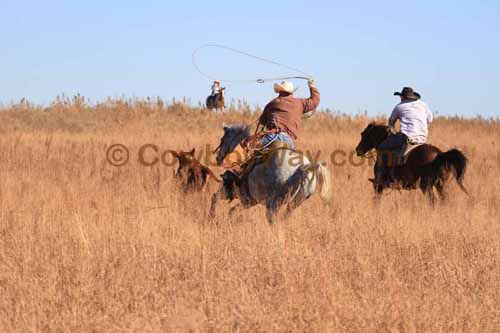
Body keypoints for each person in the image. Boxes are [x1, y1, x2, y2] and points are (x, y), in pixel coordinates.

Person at [376, 86, 433, 185]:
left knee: (382, 148)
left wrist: (393, 131)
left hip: (407, 137)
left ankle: (381, 177)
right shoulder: (423, 105)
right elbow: (430, 120)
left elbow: (391, 123)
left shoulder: (399, 106)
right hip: (423, 138)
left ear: (402, 97)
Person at [258, 78, 320, 150]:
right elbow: (315, 101)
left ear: (279, 91)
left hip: (271, 136)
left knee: (253, 151)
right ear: (291, 92)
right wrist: (312, 87)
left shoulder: (272, 103)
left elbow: (262, 121)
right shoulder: (300, 103)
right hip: (288, 139)